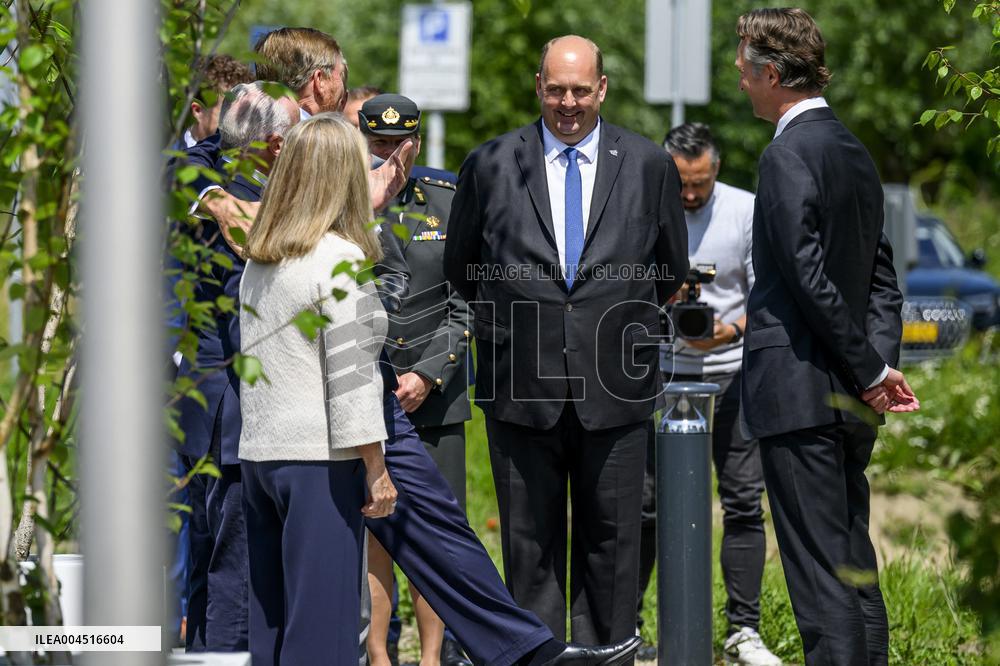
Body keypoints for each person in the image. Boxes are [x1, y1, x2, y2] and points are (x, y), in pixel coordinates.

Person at [182, 27, 643, 666]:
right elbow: (180, 162)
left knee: (436, 521)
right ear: (320, 78)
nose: (346, 86)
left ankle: (524, 650)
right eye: (341, 72)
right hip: (276, 398)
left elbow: (338, 240)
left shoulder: (342, 147)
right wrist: (212, 197)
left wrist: (363, 203)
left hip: (353, 377)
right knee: (261, 580)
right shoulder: (264, 119)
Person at [443, 35, 688, 645]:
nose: (569, 102)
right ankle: (540, 656)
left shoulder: (649, 165)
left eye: (581, 89)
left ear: (602, 88)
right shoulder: (492, 163)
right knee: (529, 546)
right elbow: (461, 266)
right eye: (557, 89)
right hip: (520, 384)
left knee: (614, 543)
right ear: (538, 87)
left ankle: (608, 652)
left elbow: (671, 269)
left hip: (617, 384)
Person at [734, 9, 919, 665]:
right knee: (850, 563)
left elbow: (807, 279)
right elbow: (883, 283)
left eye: (746, 67)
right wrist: (876, 368)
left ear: (774, 74)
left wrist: (869, 373)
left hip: (800, 394)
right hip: (847, 398)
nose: (739, 76)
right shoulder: (852, 149)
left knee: (819, 579)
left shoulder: (787, 154)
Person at [239, 112, 398, 665]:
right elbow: (351, 376)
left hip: (261, 455)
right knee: (324, 634)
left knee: (273, 628)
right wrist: (375, 466)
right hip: (320, 460)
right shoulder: (337, 261)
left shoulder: (262, 260)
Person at [635, 122, 781, 665]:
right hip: (665, 374)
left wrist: (732, 329)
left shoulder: (745, 210)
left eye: (700, 184)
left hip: (733, 371)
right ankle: (630, 625)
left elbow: (768, 288)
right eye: (682, 184)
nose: (690, 195)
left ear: (716, 170)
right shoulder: (650, 207)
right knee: (646, 503)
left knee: (743, 499)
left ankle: (744, 628)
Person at [174, 81, 299, 653]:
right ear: (274, 145)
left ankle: (205, 655)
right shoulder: (241, 200)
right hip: (231, 407)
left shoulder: (221, 177)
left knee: (211, 557)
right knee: (236, 563)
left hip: (208, 404)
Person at [360, 93, 473, 666]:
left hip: (436, 397)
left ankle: (432, 657)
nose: (389, 156)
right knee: (379, 529)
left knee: (433, 531)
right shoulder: (344, 202)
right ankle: (380, 655)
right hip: (364, 394)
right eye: (377, 143)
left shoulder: (448, 201)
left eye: (399, 144)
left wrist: (427, 375)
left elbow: (464, 303)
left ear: (417, 144)